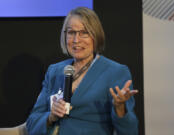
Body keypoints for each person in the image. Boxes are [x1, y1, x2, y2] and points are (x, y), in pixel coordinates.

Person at [26, 7, 138, 135]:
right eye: (71, 32)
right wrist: (51, 116)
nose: (76, 40)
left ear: (95, 36)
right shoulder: (54, 71)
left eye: (84, 33)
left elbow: (130, 131)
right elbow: (32, 123)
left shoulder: (115, 72)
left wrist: (120, 108)